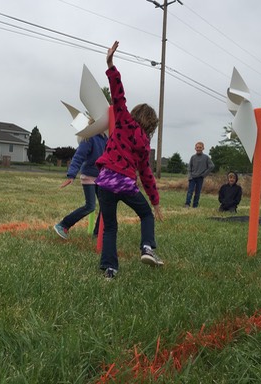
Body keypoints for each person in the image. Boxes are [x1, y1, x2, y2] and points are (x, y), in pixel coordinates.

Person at [95, 41, 163, 279]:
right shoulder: (145, 144)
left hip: (103, 182)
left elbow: (118, 94)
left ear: (134, 114)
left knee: (110, 227)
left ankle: (110, 270)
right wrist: (154, 203)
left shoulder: (124, 120)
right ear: (151, 125)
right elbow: (146, 174)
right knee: (144, 214)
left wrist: (111, 64)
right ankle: (147, 247)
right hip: (124, 182)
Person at [54, 133, 108, 239]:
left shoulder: (107, 139)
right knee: (90, 206)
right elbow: (78, 156)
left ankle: (97, 234)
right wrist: (71, 175)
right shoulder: (89, 138)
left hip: (101, 178)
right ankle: (63, 225)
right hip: (89, 177)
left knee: (106, 206)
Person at [184, 141, 214, 208]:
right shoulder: (193, 157)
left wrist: (204, 174)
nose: (198, 149)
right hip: (192, 177)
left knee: (197, 193)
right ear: (195, 148)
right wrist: (189, 176)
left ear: (203, 148)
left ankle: (195, 205)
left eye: (200, 147)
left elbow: (211, 166)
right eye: (197, 147)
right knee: (190, 191)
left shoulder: (206, 157)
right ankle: (187, 204)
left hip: (200, 178)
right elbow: (189, 168)